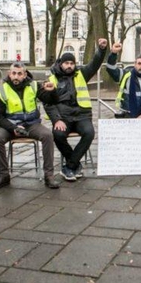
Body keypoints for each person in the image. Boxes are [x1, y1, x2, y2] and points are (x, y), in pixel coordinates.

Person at [44, 39, 108, 181]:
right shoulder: (52, 79)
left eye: (72, 63)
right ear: (61, 64)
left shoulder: (81, 74)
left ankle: (70, 166)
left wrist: (101, 49)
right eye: (66, 63)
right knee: (58, 134)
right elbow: (48, 103)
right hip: (63, 117)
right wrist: (57, 120)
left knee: (89, 133)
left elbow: (94, 64)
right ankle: (75, 165)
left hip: (81, 115)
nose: (69, 66)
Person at [0, 62, 61, 189]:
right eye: (14, 73)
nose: (16, 76)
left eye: (19, 73)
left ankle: (49, 175)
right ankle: (3, 175)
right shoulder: (2, 89)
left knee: (47, 135)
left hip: (32, 124)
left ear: (24, 74)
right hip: (11, 126)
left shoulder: (34, 85)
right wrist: (13, 128)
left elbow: (52, 100)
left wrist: (52, 91)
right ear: (9, 74)